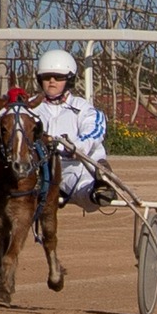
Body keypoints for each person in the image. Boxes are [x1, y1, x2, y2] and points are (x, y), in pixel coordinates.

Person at [28, 47, 116, 210]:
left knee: (81, 188)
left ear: (69, 80)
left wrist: (76, 146)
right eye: (47, 77)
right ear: (40, 79)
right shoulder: (29, 106)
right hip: (38, 168)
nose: (52, 81)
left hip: (75, 166)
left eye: (58, 77)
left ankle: (101, 187)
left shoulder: (83, 108)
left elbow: (94, 132)